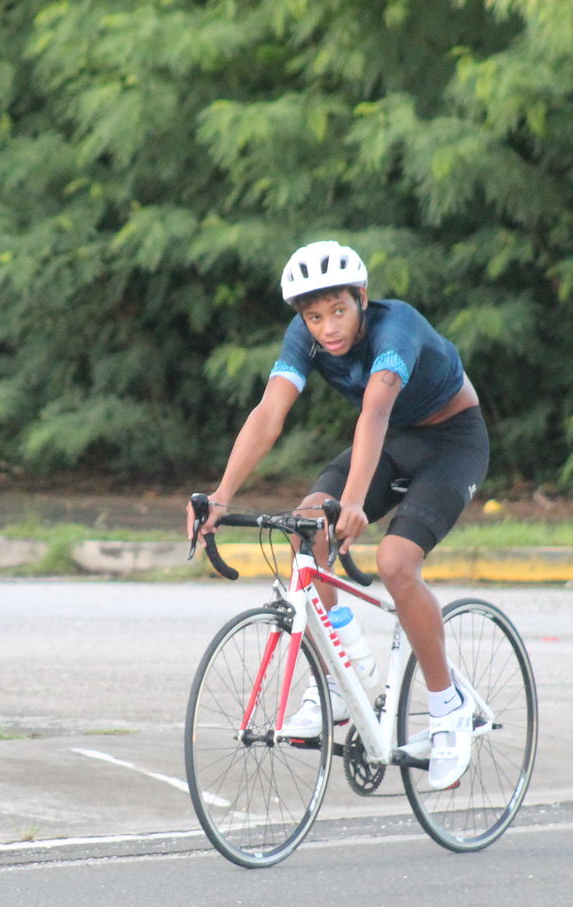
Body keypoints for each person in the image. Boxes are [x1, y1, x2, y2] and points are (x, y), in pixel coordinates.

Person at [188, 240, 489, 789]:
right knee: (308, 523)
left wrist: (353, 503)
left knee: (397, 563)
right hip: (394, 441)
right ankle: (341, 677)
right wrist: (222, 496)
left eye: (339, 311)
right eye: (314, 315)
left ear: (362, 299)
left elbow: (374, 412)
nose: (327, 328)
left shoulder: (397, 329)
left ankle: (449, 709)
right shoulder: (304, 337)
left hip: (451, 441)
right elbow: (269, 412)